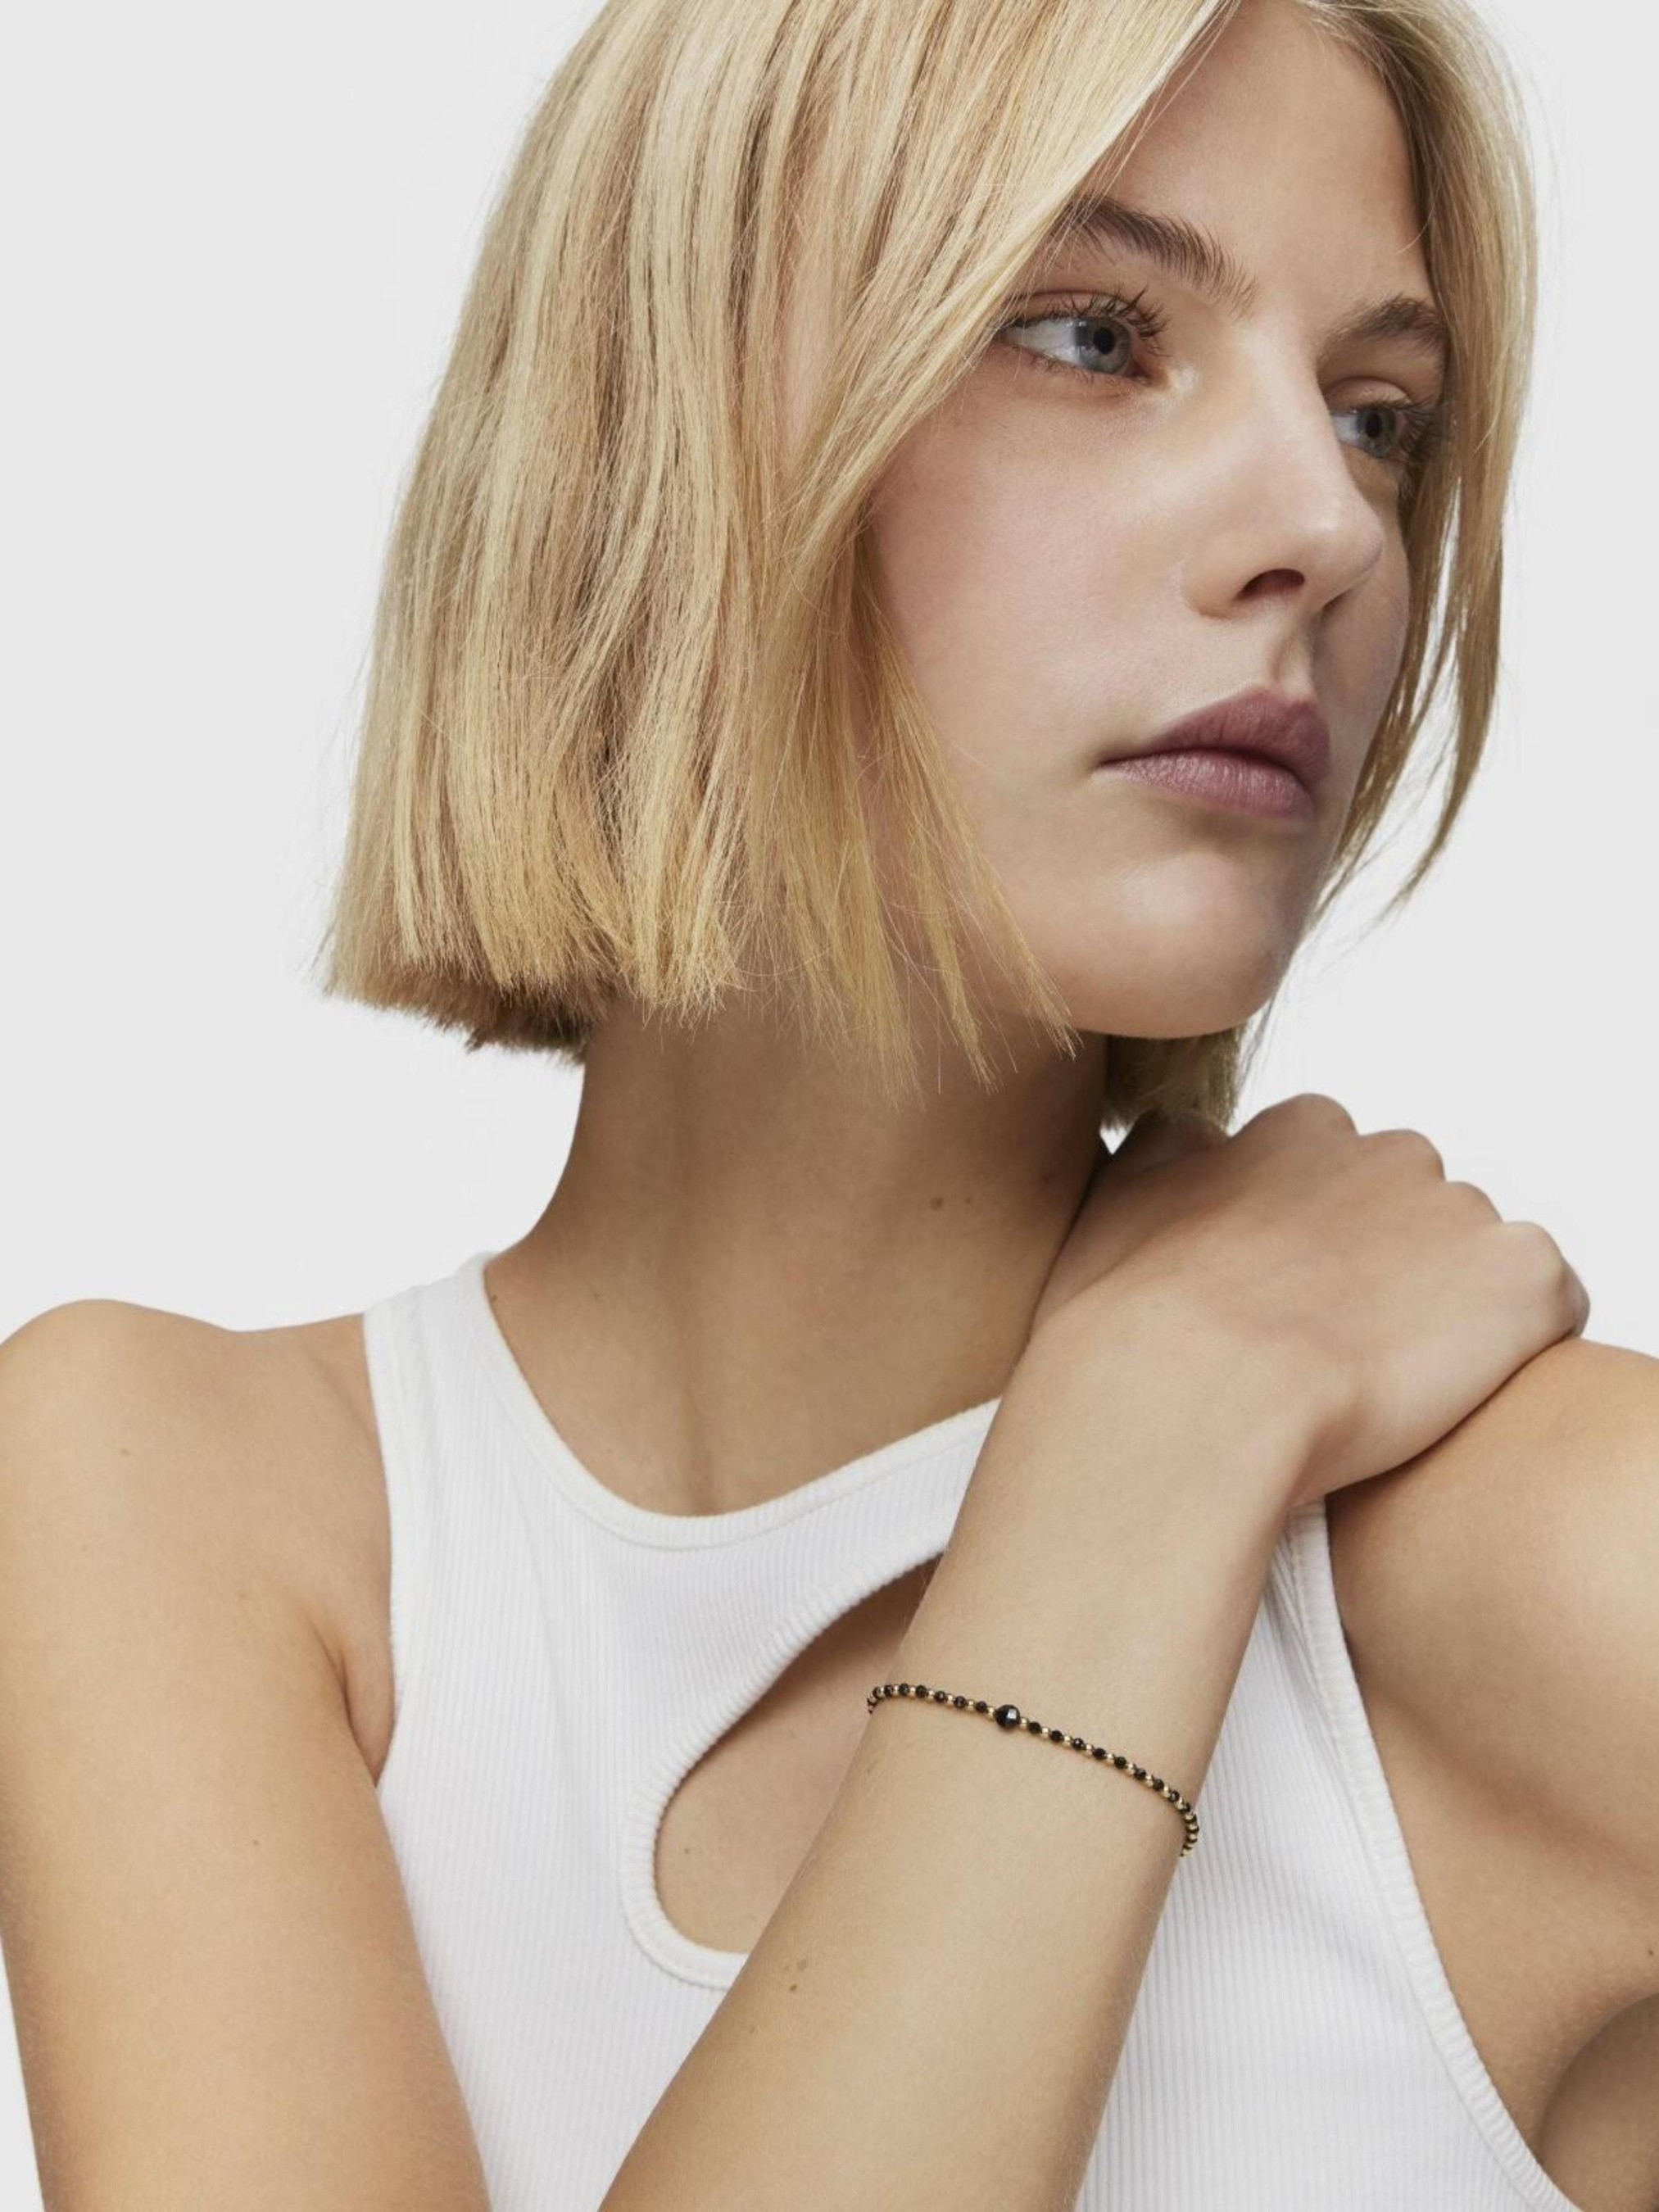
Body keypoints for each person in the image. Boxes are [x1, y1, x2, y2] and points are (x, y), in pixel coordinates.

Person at [1, 0, 1653, 2205]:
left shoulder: (1570, 1568)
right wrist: (1141, 1437)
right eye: (1093, 335)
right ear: (659, 423)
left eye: (1379, 418)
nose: (1325, 524)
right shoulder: (183, 1504)